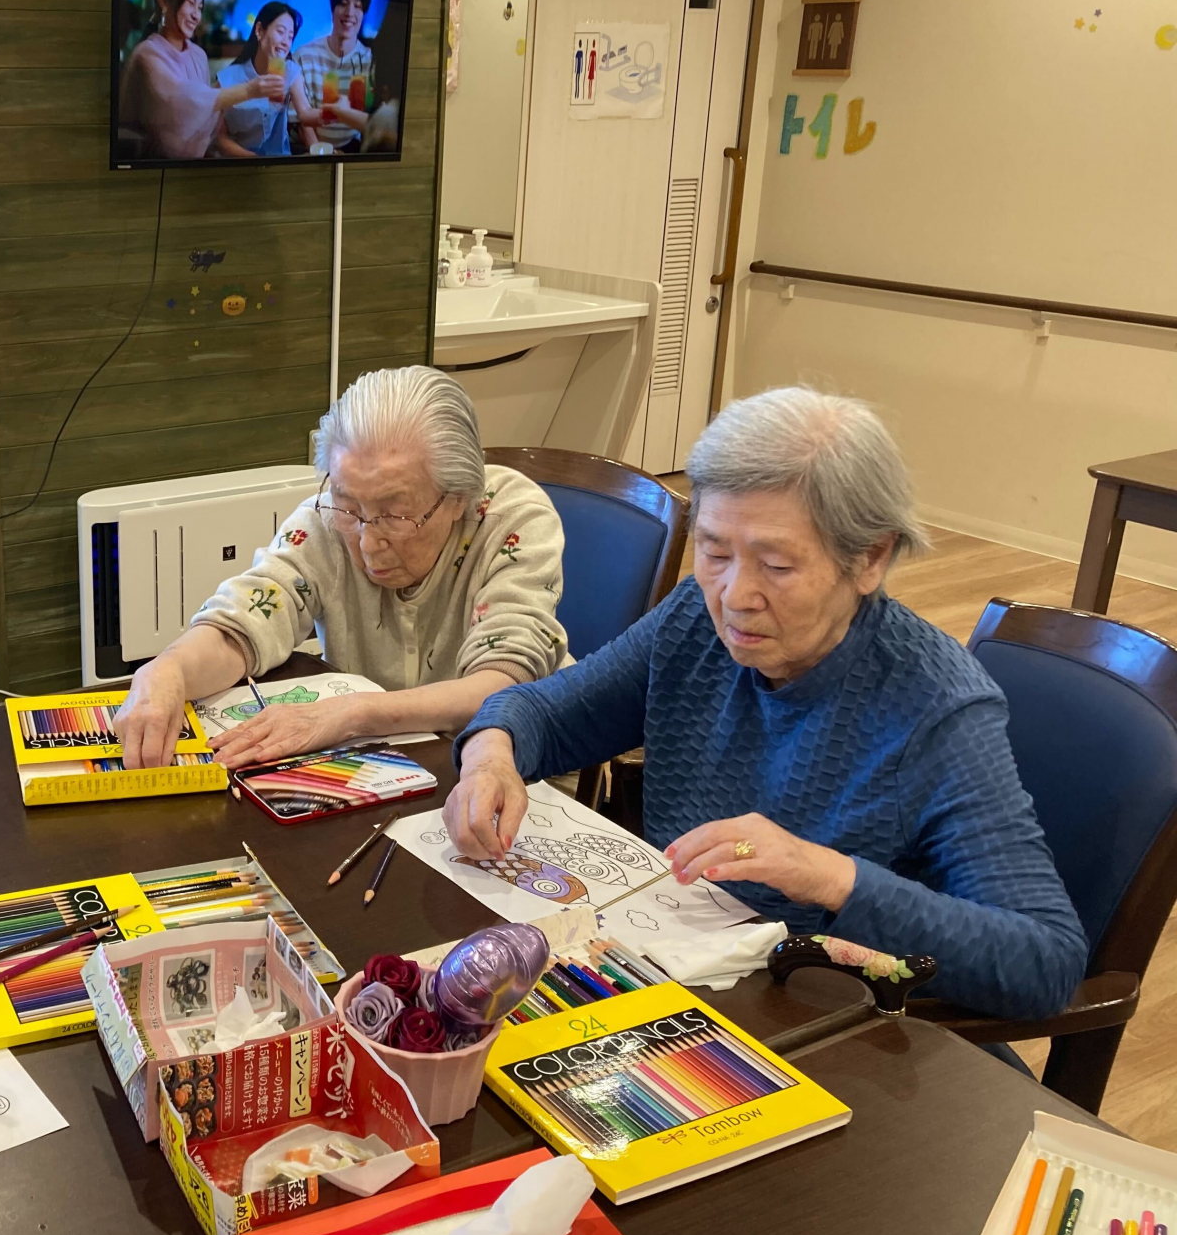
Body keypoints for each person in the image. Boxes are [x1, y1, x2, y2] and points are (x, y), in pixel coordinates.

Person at [443, 387, 1086, 1021]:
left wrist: (826, 875)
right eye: (715, 551)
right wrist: (490, 758)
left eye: (776, 566)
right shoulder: (696, 619)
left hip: (838, 1024)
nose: (735, 595)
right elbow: (545, 712)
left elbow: (1045, 962)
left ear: (870, 558)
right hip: (681, 979)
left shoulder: (937, 708)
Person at [115, 366, 569, 770]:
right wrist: (168, 670)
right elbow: (248, 617)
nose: (368, 542)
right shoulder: (326, 517)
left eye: (396, 515)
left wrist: (352, 713)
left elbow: (501, 684)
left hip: (513, 768)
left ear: (458, 499)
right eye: (350, 507)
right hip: (385, 766)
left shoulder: (512, 518)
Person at [117, 0, 282, 160]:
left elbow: (205, 123)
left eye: (200, 7)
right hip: (149, 170)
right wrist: (249, 90)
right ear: (163, 1)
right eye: (190, 3)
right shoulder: (146, 54)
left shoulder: (198, 55)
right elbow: (183, 102)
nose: (196, 15)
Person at [215, 2, 313, 159]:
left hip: (280, 164)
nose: (286, 42)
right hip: (238, 164)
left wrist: (330, 113)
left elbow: (306, 113)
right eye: (280, 32)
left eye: (290, 36)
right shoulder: (228, 79)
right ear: (259, 30)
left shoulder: (290, 71)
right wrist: (255, 161)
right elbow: (218, 138)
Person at [291, 0, 375, 151]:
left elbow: (374, 123)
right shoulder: (304, 56)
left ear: (363, 13)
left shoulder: (370, 60)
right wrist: (320, 154)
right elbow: (301, 122)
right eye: (343, 4)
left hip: (355, 150)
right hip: (313, 150)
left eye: (357, 6)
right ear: (333, 8)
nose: (350, 12)